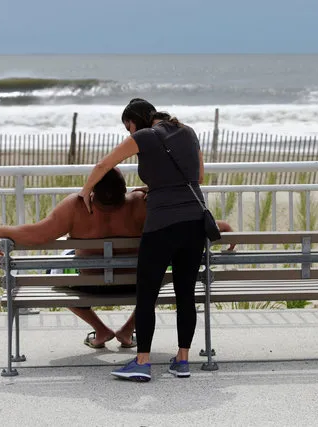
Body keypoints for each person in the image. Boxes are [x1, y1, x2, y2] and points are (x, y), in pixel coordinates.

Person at [78, 98, 209, 382]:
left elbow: (104, 164)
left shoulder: (144, 136)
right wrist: (156, 186)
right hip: (194, 224)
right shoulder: (188, 131)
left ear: (134, 121)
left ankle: (142, 362)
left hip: (162, 225)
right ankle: (182, 361)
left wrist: (84, 191)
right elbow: (198, 176)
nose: (129, 134)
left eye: (129, 128)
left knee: (147, 295)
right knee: (185, 295)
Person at [0, 168, 143, 349]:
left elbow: (38, 235)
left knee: (57, 279)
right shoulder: (140, 204)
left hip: (89, 287)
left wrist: (3, 230)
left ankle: (100, 330)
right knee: (155, 283)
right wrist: (149, 190)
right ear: (124, 189)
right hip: (135, 286)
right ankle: (127, 330)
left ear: (92, 190)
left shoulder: (76, 206)